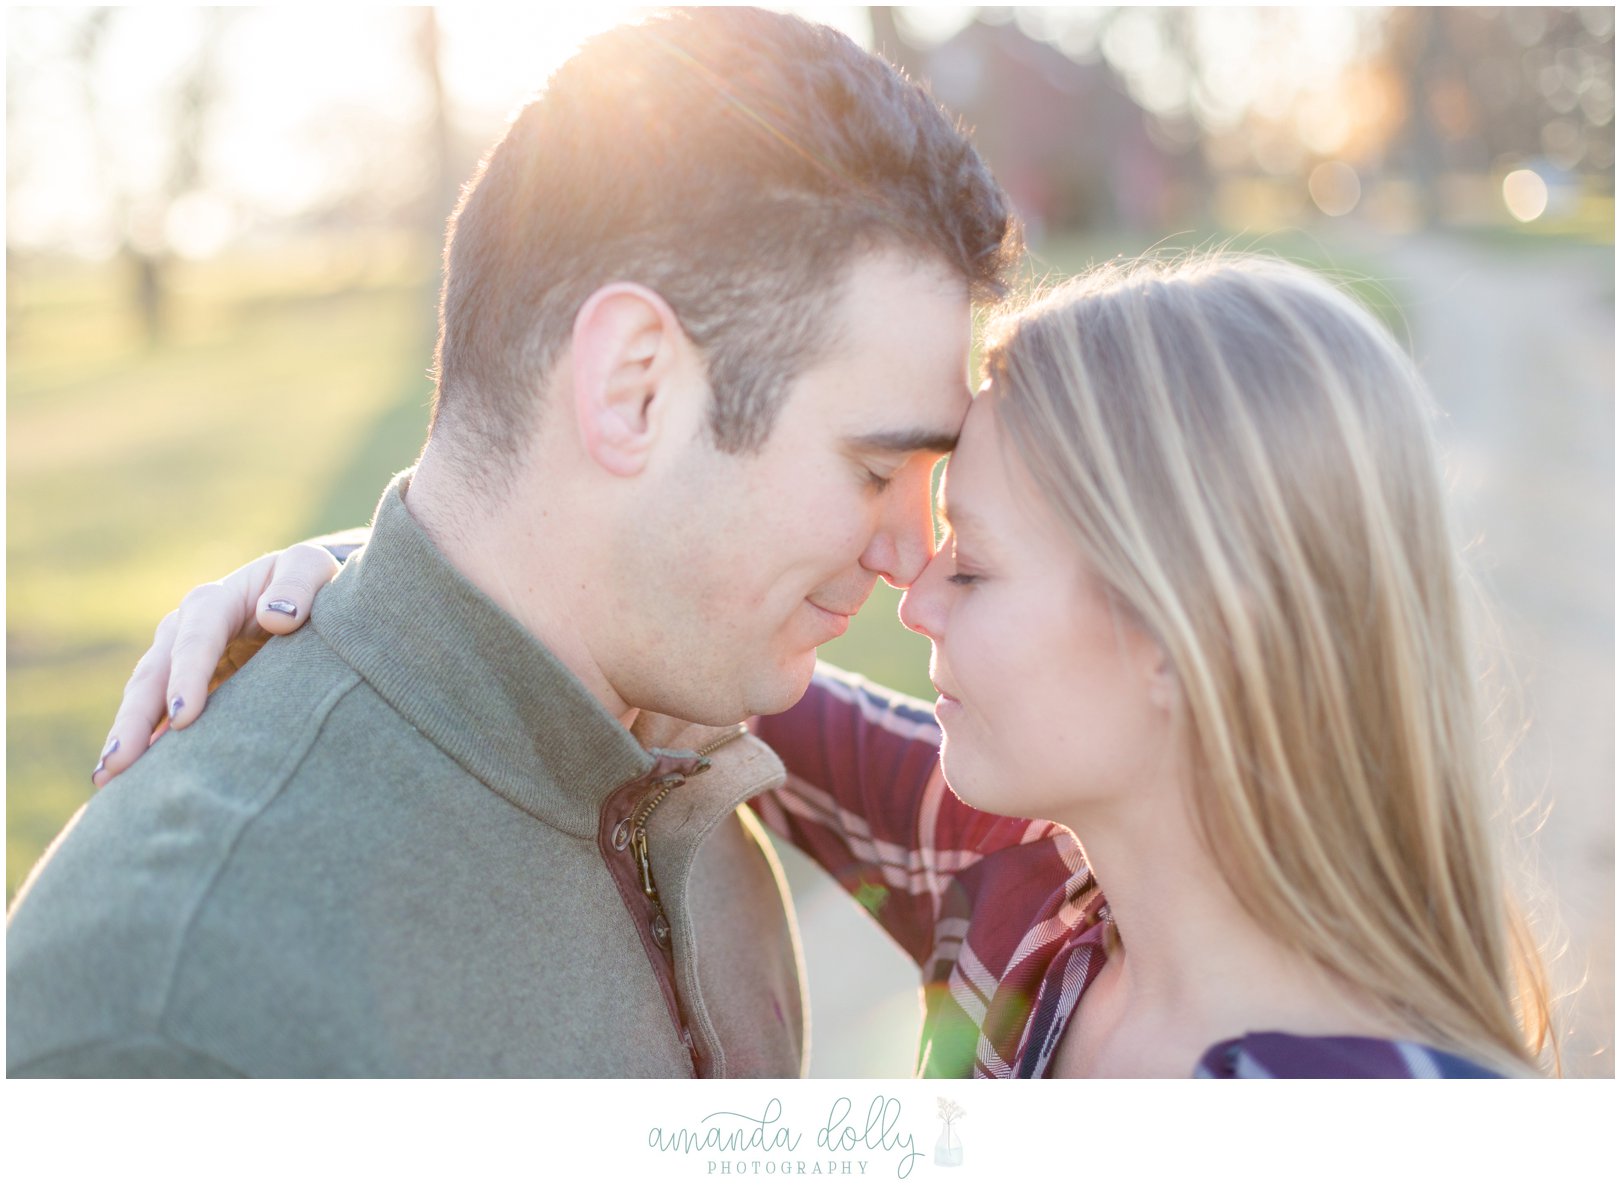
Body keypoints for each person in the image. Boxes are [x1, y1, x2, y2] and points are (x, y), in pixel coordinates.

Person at [77, 254, 1557, 1078]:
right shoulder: (1022, 885)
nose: (909, 603)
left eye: (968, 564)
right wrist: (362, 566)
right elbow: (625, 644)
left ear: (1186, 635)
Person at [4, 7, 1018, 1078]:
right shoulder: (172, 1015)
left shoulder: (698, 770)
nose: (915, 553)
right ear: (631, 388)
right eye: (873, 470)